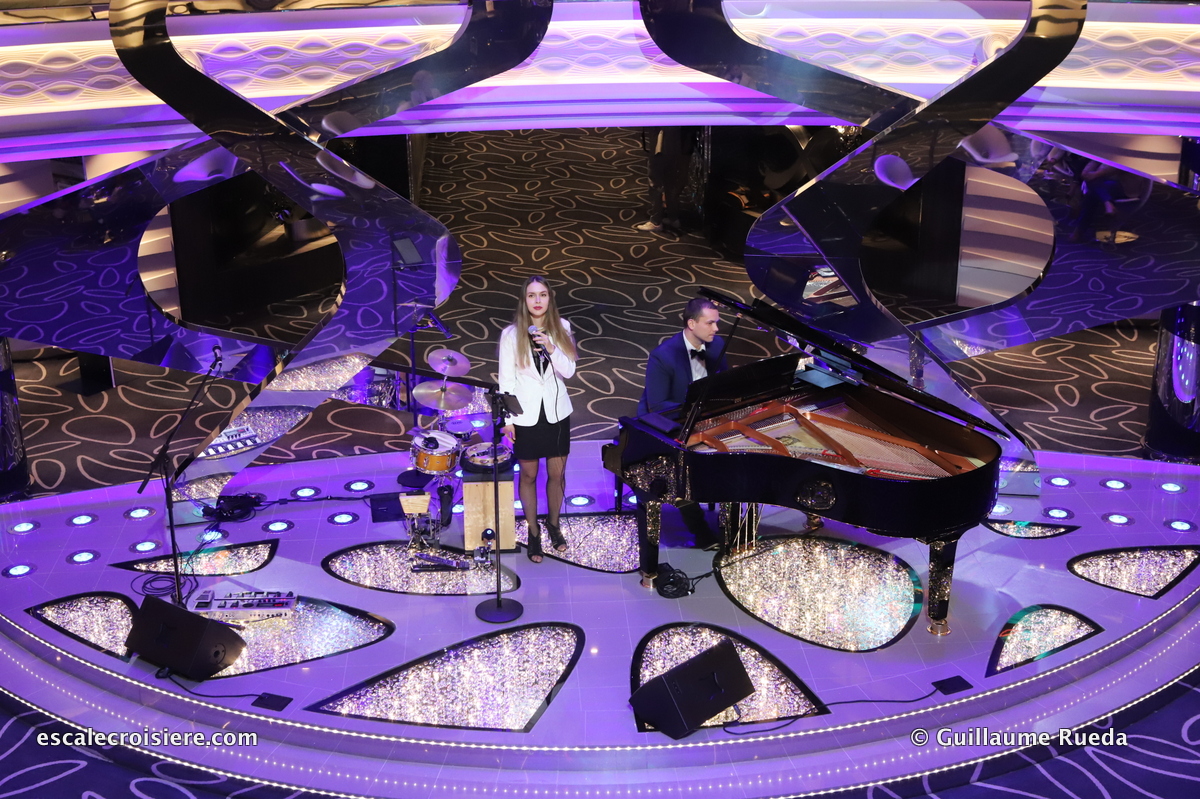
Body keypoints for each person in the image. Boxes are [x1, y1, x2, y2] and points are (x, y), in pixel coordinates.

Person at [634, 298, 728, 586]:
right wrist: (696, 414)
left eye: (716, 322)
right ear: (691, 324)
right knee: (681, 468)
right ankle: (699, 528)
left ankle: (729, 519)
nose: (716, 328)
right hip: (666, 424)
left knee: (734, 454)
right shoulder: (663, 356)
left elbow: (725, 386)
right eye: (710, 323)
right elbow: (658, 405)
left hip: (703, 420)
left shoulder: (717, 346)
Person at [498, 276, 577, 563]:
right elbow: (506, 379)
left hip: (557, 412)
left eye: (542, 294)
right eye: (532, 295)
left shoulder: (562, 327)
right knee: (529, 475)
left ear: (549, 298)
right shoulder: (511, 335)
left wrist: (552, 348)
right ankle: (533, 531)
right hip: (525, 414)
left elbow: (569, 371)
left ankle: (553, 525)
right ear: (525, 300)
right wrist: (508, 419)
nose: (538, 300)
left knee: (557, 474)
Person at [634, 127, 695, 236]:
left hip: (663, 139)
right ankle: (673, 217)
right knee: (672, 179)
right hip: (680, 141)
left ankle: (656, 221)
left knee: (656, 179)